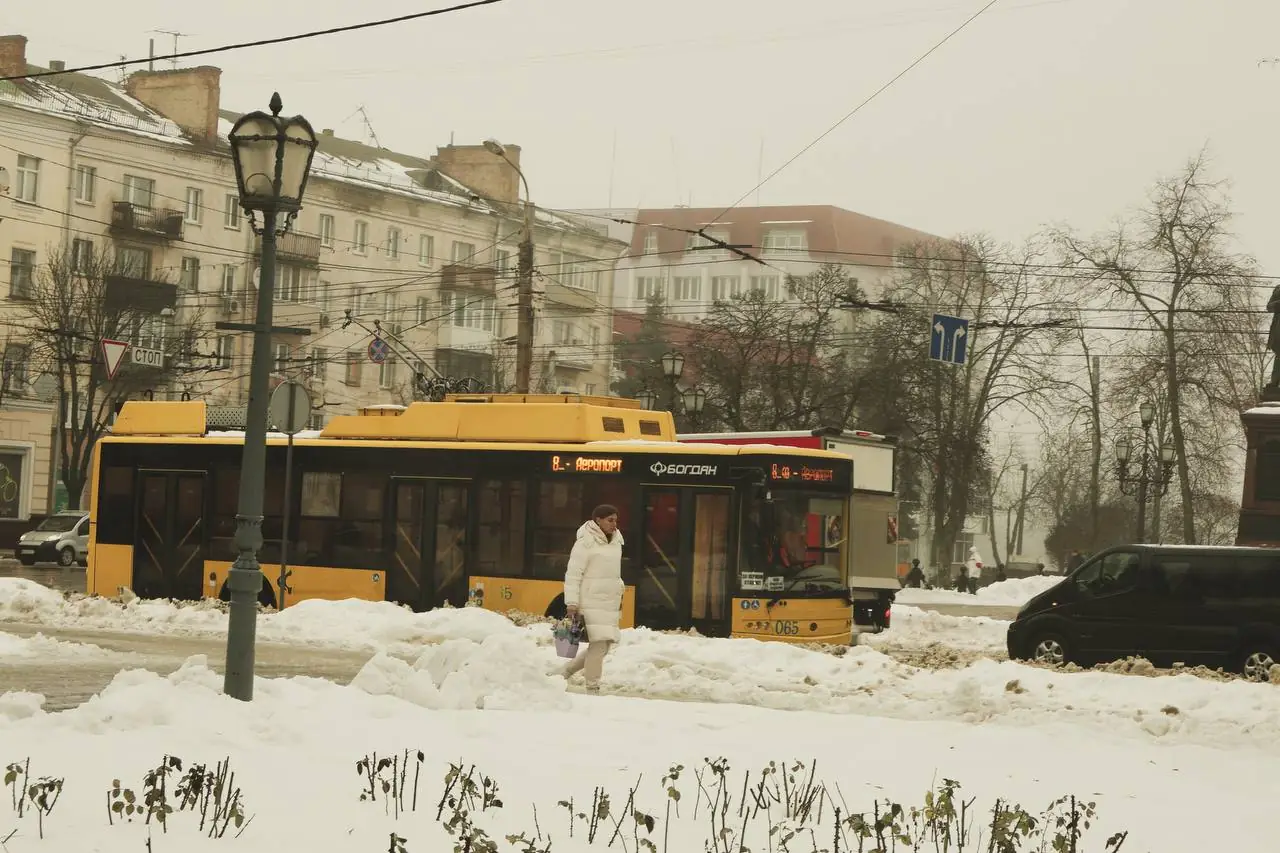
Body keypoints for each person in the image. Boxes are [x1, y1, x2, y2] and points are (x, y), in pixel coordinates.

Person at [562, 504, 625, 692]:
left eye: (615, 520)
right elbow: (573, 574)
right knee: (598, 644)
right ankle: (593, 687)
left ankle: (565, 672)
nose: (614, 524)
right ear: (598, 520)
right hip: (591, 600)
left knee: (604, 645)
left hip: (610, 602)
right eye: (610, 520)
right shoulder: (585, 542)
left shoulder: (616, 541)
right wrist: (571, 603)